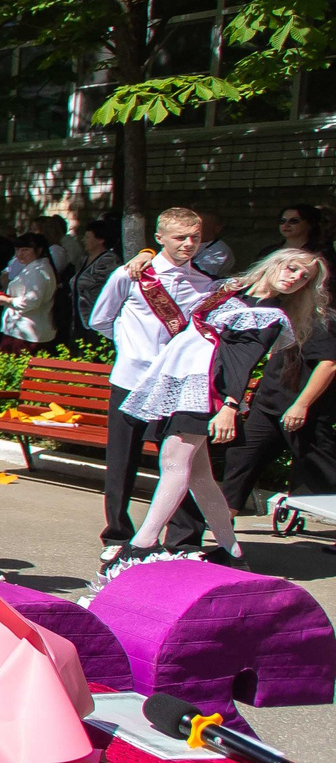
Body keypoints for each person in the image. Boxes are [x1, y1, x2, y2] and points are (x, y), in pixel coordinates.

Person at [107, 248, 327, 574]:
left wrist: (229, 406)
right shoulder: (229, 289)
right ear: (275, 262)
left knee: (174, 462)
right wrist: (146, 255)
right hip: (179, 384)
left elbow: (242, 363)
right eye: (292, 268)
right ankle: (232, 550)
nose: (295, 277)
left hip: (205, 393)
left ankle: (140, 544)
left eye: (304, 277)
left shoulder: (269, 315)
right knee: (200, 476)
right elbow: (180, 275)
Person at [89, 206, 215, 559]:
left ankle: (184, 540)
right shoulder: (130, 276)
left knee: (182, 461)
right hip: (131, 378)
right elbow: (100, 319)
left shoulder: (204, 283)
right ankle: (117, 535)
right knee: (121, 461)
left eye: (195, 237)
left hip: (173, 386)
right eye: (180, 237)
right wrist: (130, 348)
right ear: (159, 238)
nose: (188, 244)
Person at [220, 292, 336, 522]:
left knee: (324, 471)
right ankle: (223, 522)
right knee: (242, 459)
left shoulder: (322, 321)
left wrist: (301, 405)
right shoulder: (281, 315)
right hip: (269, 404)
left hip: (305, 410)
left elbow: (329, 365)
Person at [0, 233, 57, 350]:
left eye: (25, 250)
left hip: (27, 334)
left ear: (39, 250)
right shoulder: (32, 268)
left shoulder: (39, 271)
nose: (20, 254)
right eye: (17, 250)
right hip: (20, 330)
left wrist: (8, 300)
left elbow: (32, 301)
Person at [69, 220, 120, 342]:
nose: (83, 240)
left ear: (100, 240)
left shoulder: (109, 261)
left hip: (96, 319)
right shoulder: (84, 259)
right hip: (79, 318)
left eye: (87, 237)